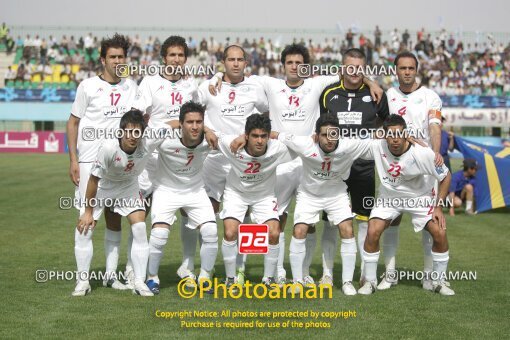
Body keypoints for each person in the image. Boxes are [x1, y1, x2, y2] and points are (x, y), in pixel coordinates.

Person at [213, 43, 383, 287]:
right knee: (276, 219)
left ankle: (302, 273)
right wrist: (218, 74)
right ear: (283, 66)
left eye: (300, 63)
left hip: (308, 164)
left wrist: (371, 82)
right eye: (290, 63)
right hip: (278, 163)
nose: (295, 67)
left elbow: (349, 72)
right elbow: (238, 73)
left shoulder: (316, 84)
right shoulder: (270, 84)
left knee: (308, 221)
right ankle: (275, 272)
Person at [66, 33, 138, 295]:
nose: (118, 60)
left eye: (121, 56)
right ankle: (83, 280)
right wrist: (73, 159)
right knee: (87, 218)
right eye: (113, 57)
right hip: (88, 160)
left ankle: (110, 276)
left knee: (115, 218)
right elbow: (73, 122)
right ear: (102, 59)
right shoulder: (87, 86)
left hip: (119, 162)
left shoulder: (132, 86)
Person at [274, 114, 374, 295]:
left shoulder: (349, 146)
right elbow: (277, 134)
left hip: (336, 195)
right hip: (309, 195)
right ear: (316, 135)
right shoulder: (305, 144)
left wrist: (407, 138)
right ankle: (297, 281)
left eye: (334, 134)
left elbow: (380, 142)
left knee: (347, 230)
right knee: (299, 231)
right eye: (325, 135)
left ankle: (347, 282)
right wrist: (244, 137)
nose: (330, 139)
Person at [132, 36, 204, 285]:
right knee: (141, 212)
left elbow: (199, 112)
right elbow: (138, 117)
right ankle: (135, 267)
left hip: (182, 156)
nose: (176, 59)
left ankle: (186, 265)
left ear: (185, 58)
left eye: (181, 55)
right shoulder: (150, 82)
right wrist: (168, 124)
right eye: (172, 55)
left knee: (188, 210)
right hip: (152, 157)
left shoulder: (190, 83)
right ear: (164, 58)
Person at [358, 114, 454, 296]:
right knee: (372, 230)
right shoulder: (377, 146)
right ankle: (370, 282)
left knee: (439, 232)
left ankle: (438, 281)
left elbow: (446, 176)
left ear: (406, 134)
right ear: (384, 135)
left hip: (420, 198)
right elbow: (350, 144)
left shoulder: (422, 153)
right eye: (390, 135)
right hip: (389, 198)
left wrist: (438, 206)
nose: (395, 139)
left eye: (399, 134)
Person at [198, 45, 269, 284]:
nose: (236, 64)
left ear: (246, 63)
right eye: (231, 60)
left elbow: (267, 114)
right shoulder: (209, 87)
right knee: (207, 216)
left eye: (240, 60)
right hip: (215, 159)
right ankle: (205, 269)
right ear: (223, 62)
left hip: (243, 161)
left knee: (246, 217)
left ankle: (239, 268)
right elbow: (191, 113)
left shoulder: (255, 87)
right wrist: (207, 129)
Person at [319, 48, 389, 286]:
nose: (354, 72)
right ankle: (327, 273)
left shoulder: (377, 95)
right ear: (342, 67)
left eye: (359, 68)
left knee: (363, 220)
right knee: (330, 222)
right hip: (334, 168)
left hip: (364, 167)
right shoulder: (328, 93)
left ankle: (363, 273)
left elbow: (386, 124)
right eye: (350, 67)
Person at [75, 110, 163, 296]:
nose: (133, 136)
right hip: (103, 187)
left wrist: (205, 129)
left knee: (139, 228)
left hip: (129, 187)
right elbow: (93, 180)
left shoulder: (147, 144)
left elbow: (172, 125)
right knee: (84, 230)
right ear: (121, 132)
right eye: (129, 132)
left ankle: (138, 282)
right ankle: (83, 282)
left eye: (137, 132)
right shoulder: (108, 148)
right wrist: (88, 211)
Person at [379, 51, 444, 291]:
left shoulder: (430, 96)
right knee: (391, 221)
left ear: (416, 70)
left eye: (410, 68)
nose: (406, 72)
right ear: (395, 70)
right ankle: (390, 273)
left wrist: (435, 154)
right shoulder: (389, 95)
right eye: (402, 68)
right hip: (395, 168)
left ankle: (429, 276)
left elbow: (435, 127)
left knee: (429, 223)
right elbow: (382, 128)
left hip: (423, 169)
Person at [146, 102, 218, 294]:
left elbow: (229, 142)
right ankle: (152, 277)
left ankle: (204, 278)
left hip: (195, 191)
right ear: (180, 124)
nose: (194, 126)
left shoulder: (208, 140)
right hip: (166, 190)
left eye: (199, 122)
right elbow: (145, 138)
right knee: (159, 234)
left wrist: (210, 130)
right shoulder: (165, 139)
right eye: (189, 122)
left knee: (211, 230)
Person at [217, 114, 289, 288]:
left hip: (264, 196)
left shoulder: (278, 149)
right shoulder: (231, 144)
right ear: (246, 135)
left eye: (264, 136)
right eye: (255, 136)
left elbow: (304, 144)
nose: (259, 141)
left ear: (269, 136)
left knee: (274, 233)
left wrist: (277, 135)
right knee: (230, 233)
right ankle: (230, 279)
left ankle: (268, 279)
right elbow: (210, 135)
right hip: (236, 194)